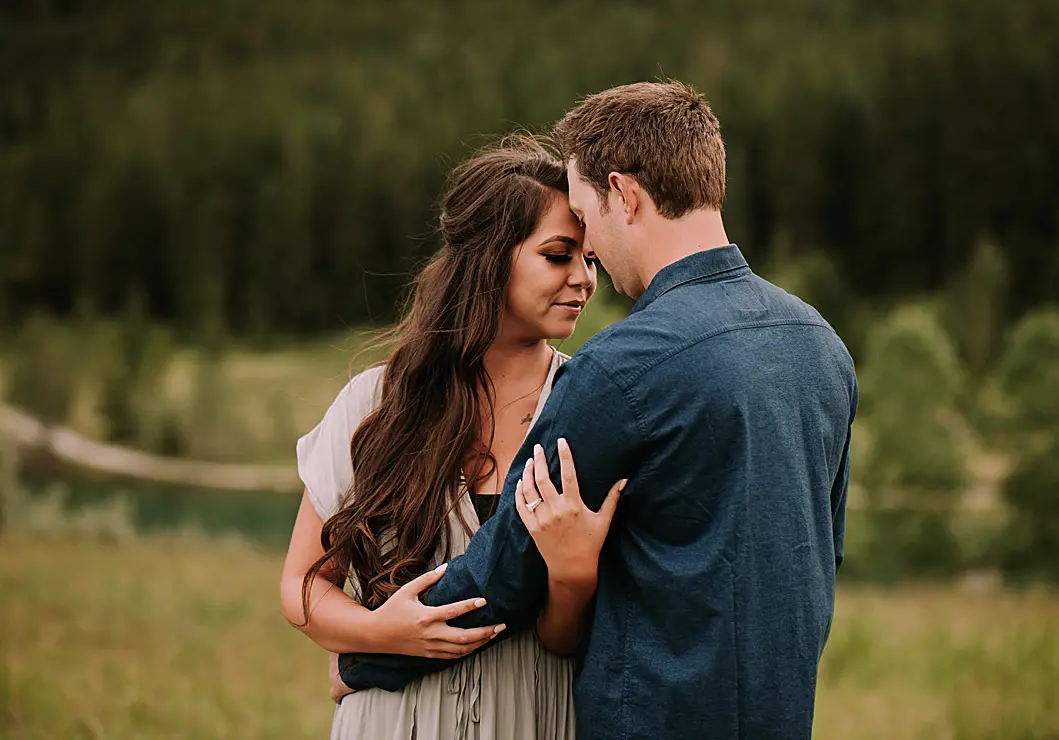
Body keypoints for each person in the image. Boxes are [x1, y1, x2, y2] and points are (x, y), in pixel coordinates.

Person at [335, 81, 858, 740]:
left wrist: (364, 660)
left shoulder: (626, 365)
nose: (593, 259)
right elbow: (821, 553)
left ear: (626, 196)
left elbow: (503, 571)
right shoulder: (822, 348)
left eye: (586, 216)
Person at [279, 134, 624, 739]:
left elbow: (564, 637)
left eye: (590, 259)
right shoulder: (376, 402)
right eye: (558, 255)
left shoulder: (588, 407)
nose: (584, 279)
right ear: (490, 257)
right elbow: (304, 586)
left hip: (533, 717)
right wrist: (379, 634)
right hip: (390, 719)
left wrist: (574, 577)